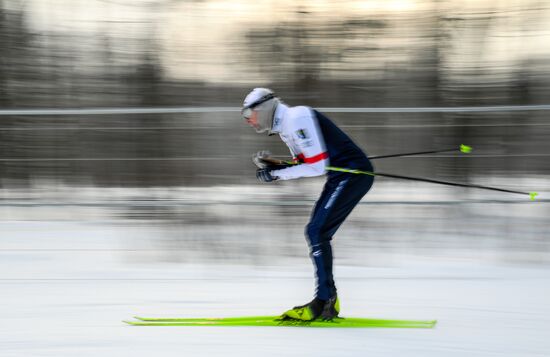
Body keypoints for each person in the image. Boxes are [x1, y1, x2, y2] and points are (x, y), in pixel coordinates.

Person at [242, 88, 374, 321]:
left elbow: (316, 166)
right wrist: (275, 167)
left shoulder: (296, 118)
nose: (248, 121)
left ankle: (323, 302)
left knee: (317, 231)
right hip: (341, 176)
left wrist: (277, 175)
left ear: (262, 108)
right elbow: (305, 161)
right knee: (316, 231)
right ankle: (327, 301)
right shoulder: (286, 126)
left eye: (248, 114)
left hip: (352, 174)